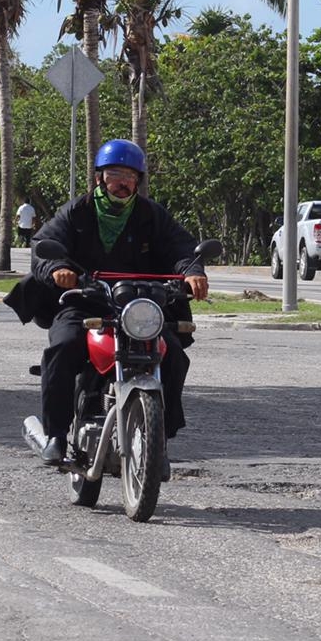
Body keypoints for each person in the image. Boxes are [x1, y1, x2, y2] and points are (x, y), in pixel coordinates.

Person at [30, 140, 209, 468]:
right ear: (99, 177)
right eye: (114, 174)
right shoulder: (77, 211)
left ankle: (161, 442)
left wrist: (192, 271)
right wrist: (59, 270)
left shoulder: (151, 215)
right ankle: (56, 434)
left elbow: (181, 247)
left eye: (129, 175)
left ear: (138, 180)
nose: (121, 182)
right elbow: (44, 242)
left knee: (172, 355)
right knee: (64, 346)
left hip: (140, 306)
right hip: (86, 300)